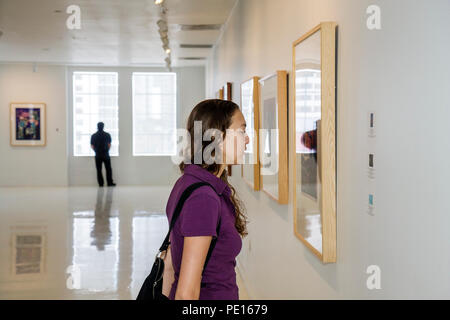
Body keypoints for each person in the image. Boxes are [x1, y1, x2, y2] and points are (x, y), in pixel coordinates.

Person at [164, 99, 250, 300]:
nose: (247, 140)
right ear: (217, 137)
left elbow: (169, 264)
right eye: (241, 131)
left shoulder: (189, 182)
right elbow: (186, 294)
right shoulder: (203, 198)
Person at [90, 122, 116, 187]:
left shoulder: (93, 135)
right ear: (103, 126)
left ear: (97, 126)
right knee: (108, 169)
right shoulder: (107, 135)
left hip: (98, 155)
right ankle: (109, 183)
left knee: (99, 170)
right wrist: (107, 150)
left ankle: (101, 184)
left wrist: (96, 151)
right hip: (106, 154)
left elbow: (92, 145)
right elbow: (109, 144)